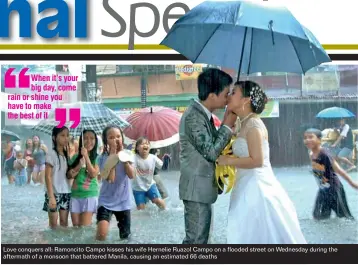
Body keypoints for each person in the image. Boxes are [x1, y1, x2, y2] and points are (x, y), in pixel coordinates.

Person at [217, 81, 306, 244]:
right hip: (245, 184)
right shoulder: (243, 123)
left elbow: (257, 160)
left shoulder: (253, 124)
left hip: (257, 188)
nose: (229, 96)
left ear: (245, 100)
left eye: (233, 92)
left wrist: (227, 160)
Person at [179, 68, 236, 244]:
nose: (228, 98)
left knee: (200, 240)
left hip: (202, 188)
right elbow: (210, 152)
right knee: (196, 241)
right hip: (196, 189)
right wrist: (226, 126)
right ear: (212, 95)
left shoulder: (204, 115)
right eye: (226, 94)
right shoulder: (193, 117)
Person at [304, 128, 358, 220]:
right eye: (305, 137)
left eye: (311, 137)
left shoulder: (324, 154)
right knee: (318, 217)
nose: (307, 140)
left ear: (319, 139)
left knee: (345, 217)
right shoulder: (312, 154)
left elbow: (338, 170)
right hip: (323, 190)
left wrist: (352, 183)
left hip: (334, 190)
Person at [96, 125, 135, 241]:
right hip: (106, 201)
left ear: (122, 139)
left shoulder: (128, 155)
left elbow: (132, 175)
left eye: (118, 136)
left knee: (125, 237)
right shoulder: (102, 158)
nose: (116, 139)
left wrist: (123, 158)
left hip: (123, 201)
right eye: (111, 137)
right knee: (101, 235)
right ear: (106, 141)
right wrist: (113, 156)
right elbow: (110, 179)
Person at [67, 130, 99, 227]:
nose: (89, 141)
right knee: (76, 228)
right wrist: (79, 165)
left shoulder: (97, 157)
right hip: (75, 195)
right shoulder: (76, 157)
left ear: (96, 141)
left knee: (84, 228)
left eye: (92, 138)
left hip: (89, 195)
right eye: (85, 138)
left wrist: (86, 156)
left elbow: (93, 174)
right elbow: (69, 175)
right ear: (81, 140)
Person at [43, 126, 71, 229]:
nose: (66, 138)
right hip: (53, 193)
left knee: (64, 223)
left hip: (66, 192)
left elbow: (68, 175)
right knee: (53, 225)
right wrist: (51, 197)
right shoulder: (51, 154)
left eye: (67, 135)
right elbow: (48, 176)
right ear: (54, 138)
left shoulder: (66, 155)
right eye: (62, 135)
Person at [132, 137, 165, 210]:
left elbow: (161, 165)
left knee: (158, 201)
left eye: (147, 144)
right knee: (141, 209)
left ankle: (166, 211)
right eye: (142, 144)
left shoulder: (153, 157)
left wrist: (157, 155)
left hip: (150, 185)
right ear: (137, 148)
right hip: (138, 188)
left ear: (149, 148)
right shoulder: (134, 157)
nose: (145, 145)